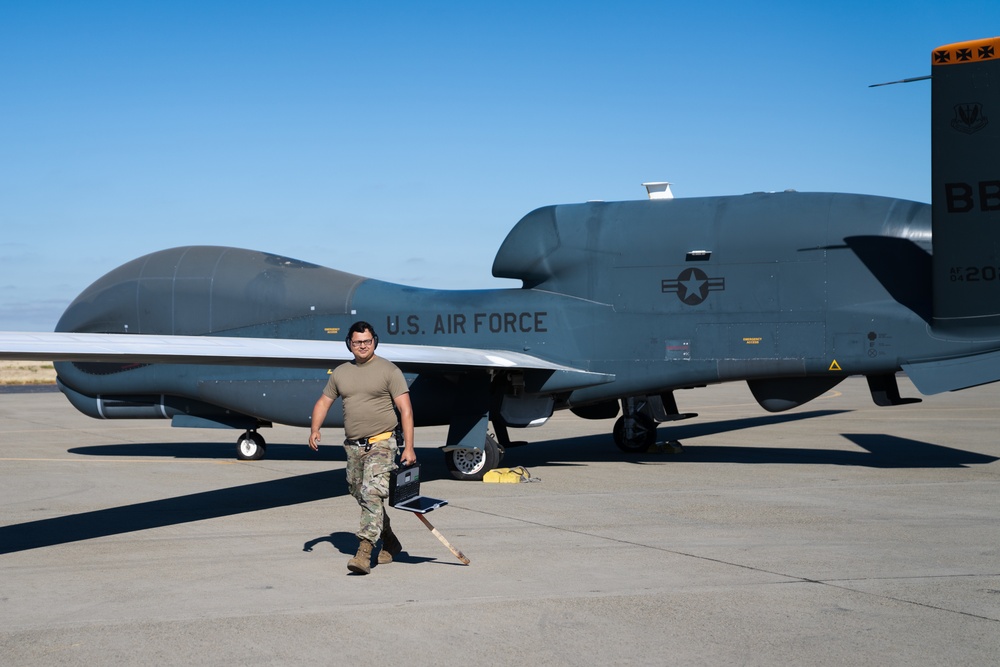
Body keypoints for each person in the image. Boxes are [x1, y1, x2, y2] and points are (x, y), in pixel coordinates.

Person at [309, 321, 416, 575]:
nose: (363, 346)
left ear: (374, 341)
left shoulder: (389, 370)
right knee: (359, 491)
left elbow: (406, 410)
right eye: (357, 342)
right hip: (354, 447)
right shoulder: (341, 373)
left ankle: (364, 551)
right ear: (350, 344)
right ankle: (390, 540)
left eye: (367, 341)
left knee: (371, 492)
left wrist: (409, 447)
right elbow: (323, 403)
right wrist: (315, 429)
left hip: (382, 443)